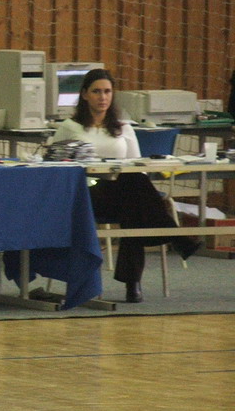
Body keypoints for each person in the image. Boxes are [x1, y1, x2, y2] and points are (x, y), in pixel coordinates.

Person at [51, 68, 201, 302]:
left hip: (121, 192)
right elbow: (56, 166)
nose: (103, 97)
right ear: (85, 95)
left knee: (134, 197)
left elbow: (137, 166)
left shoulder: (123, 127)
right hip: (86, 192)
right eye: (97, 91)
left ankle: (134, 283)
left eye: (107, 91)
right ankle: (174, 239)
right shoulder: (70, 127)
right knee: (134, 193)